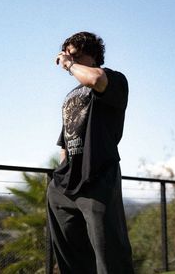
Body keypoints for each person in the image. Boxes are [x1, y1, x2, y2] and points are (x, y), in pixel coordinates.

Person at [47, 32, 134, 274]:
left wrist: (69, 64)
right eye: (67, 55)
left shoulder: (113, 79)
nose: (69, 60)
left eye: (75, 54)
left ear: (93, 55)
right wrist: (59, 177)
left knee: (111, 259)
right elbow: (65, 142)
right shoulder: (70, 96)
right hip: (63, 187)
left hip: (97, 180)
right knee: (72, 262)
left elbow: (96, 80)